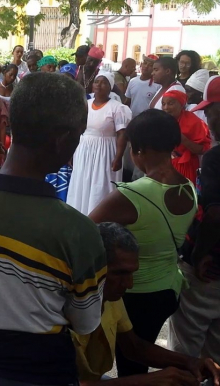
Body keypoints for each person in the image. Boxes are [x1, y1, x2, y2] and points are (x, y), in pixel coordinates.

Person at [0, 73, 107, 385]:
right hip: (38, 375)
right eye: (78, 136)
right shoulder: (79, 232)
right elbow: (85, 323)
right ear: (64, 139)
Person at [89, 109, 198, 377]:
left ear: (138, 150)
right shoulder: (189, 187)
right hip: (169, 289)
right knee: (137, 360)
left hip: (135, 294)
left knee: (131, 366)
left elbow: (84, 230)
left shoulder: (132, 194)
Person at [73, 222, 220, 385]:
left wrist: (190, 362)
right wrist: (147, 381)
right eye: (119, 273)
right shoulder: (59, 308)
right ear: (92, 267)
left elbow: (135, 347)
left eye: (131, 273)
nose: (129, 284)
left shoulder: (109, 296)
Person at [169, 75, 220, 364]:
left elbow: (215, 213)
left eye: (211, 112)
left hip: (209, 268)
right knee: (216, 355)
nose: (209, 121)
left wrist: (200, 254)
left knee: (185, 350)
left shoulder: (215, 158)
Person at [67, 72, 130, 215]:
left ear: (110, 87)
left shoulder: (117, 107)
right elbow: (76, 130)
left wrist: (118, 157)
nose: (99, 85)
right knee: (82, 181)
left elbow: (122, 134)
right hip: (84, 149)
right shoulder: (85, 104)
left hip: (105, 152)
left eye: (104, 82)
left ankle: (99, 218)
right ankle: (80, 215)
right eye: (97, 81)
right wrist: (71, 151)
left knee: (101, 185)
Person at [161, 90, 211, 184]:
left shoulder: (194, 122)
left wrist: (183, 139)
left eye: (170, 103)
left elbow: (203, 149)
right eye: (163, 104)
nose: (166, 107)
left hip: (187, 167)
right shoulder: (161, 121)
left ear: (181, 105)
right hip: (166, 165)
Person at [125, 54, 161, 118]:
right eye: (145, 63)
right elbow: (128, 101)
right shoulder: (132, 81)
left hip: (148, 121)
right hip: (132, 120)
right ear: (141, 64)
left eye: (150, 65)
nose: (146, 66)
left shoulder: (158, 85)